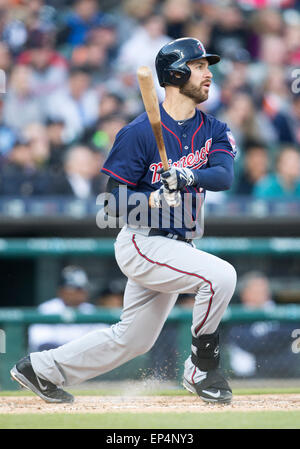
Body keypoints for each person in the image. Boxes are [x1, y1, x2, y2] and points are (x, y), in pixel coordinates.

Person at [10, 37, 237, 405]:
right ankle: (202, 367)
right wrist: (150, 197)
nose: (208, 74)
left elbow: (223, 175)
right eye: (199, 66)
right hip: (142, 241)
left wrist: (186, 177)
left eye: (207, 66)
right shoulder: (137, 133)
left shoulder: (214, 128)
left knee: (132, 340)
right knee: (221, 276)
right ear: (176, 74)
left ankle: (40, 368)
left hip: (180, 244)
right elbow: (112, 203)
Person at [225, 271, 300, 378]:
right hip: (249, 378)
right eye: (256, 290)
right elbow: (245, 341)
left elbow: (292, 332)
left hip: (285, 370)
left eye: (263, 290)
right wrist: (275, 339)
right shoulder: (238, 314)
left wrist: (264, 340)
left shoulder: (279, 310)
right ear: (245, 294)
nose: (261, 293)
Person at [28, 266, 103, 352]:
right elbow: (42, 344)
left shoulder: (92, 311)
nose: (80, 292)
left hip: (85, 362)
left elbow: (100, 345)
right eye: (75, 289)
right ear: (61, 290)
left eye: (83, 288)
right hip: (53, 362)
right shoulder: (46, 309)